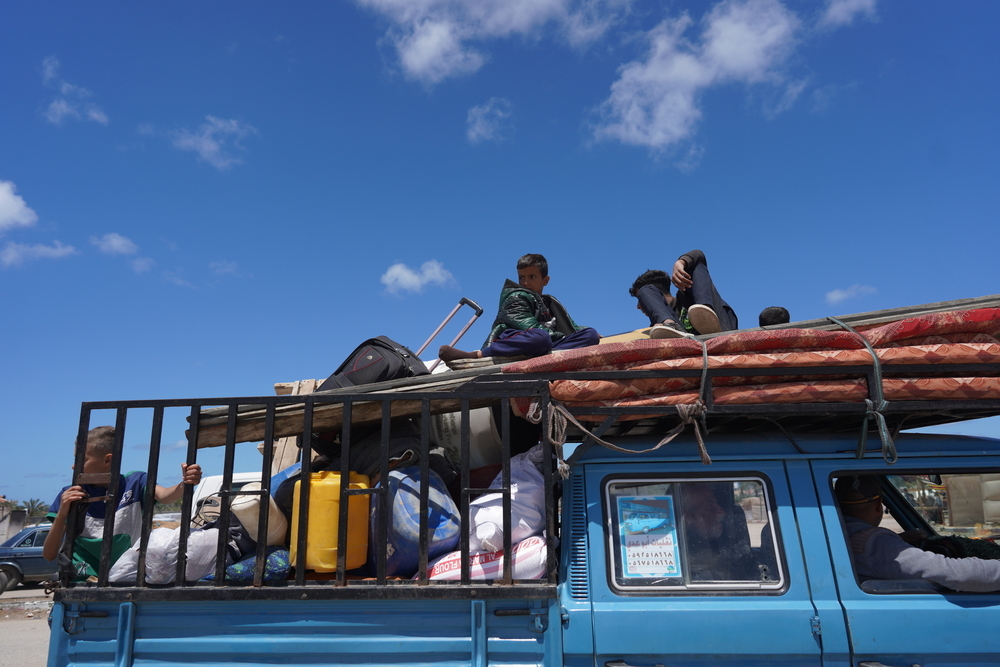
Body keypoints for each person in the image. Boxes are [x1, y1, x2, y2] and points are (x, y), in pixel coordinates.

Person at [42, 425, 202, 580]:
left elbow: (165, 495)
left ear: (107, 460)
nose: (73, 466)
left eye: (81, 459)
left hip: (128, 578)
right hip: (81, 582)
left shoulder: (136, 482)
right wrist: (62, 513)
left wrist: (185, 483)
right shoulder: (69, 495)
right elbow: (49, 555)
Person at [836, 476, 1000, 592]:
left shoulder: (838, 536)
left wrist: (899, 540)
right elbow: (957, 574)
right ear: (879, 504)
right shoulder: (875, 544)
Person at [439, 253, 600, 362]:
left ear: (545, 280)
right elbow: (530, 327)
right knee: (539, 338)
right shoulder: (516, 296)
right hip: (518, 338)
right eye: (521, 277)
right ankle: (479, 354)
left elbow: (568, 325)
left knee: (590, 334)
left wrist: (581, 331)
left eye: (532, 277)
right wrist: (563, 338)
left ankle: (551, 356)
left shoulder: (548, 302)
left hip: (546, 343)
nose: (525, 282)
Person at [629, 249, 738, 340]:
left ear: (656, 293)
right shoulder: (659, 325)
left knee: (694, 266)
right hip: (688, 339)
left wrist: (680, 262)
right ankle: (671, 326)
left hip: (721, 328)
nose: (638, 306)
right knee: (664, 327)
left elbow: (699, 255)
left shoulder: (686, 295)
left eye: (641, 299)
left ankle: (706, 314)